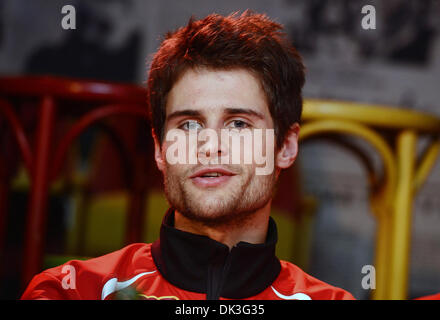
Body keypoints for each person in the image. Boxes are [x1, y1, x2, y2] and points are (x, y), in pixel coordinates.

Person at [21, 11, 354, 300]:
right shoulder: (72, 291)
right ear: (160, 149)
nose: (210, 146)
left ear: (286, 147)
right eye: (190, 124)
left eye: (238, 123)